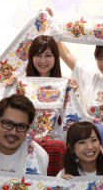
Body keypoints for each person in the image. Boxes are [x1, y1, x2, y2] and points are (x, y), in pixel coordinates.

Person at [16, 35, 78, 176]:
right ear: (31, 57)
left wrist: (72, 94)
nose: (43, 61)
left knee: (58, 147)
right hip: (24, 138)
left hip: (54, 142)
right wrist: (9, 87)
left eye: (48, 55)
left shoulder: (65, 85)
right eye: (38, 55)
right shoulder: (20, 84)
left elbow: (70, 120)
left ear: (56, 58)